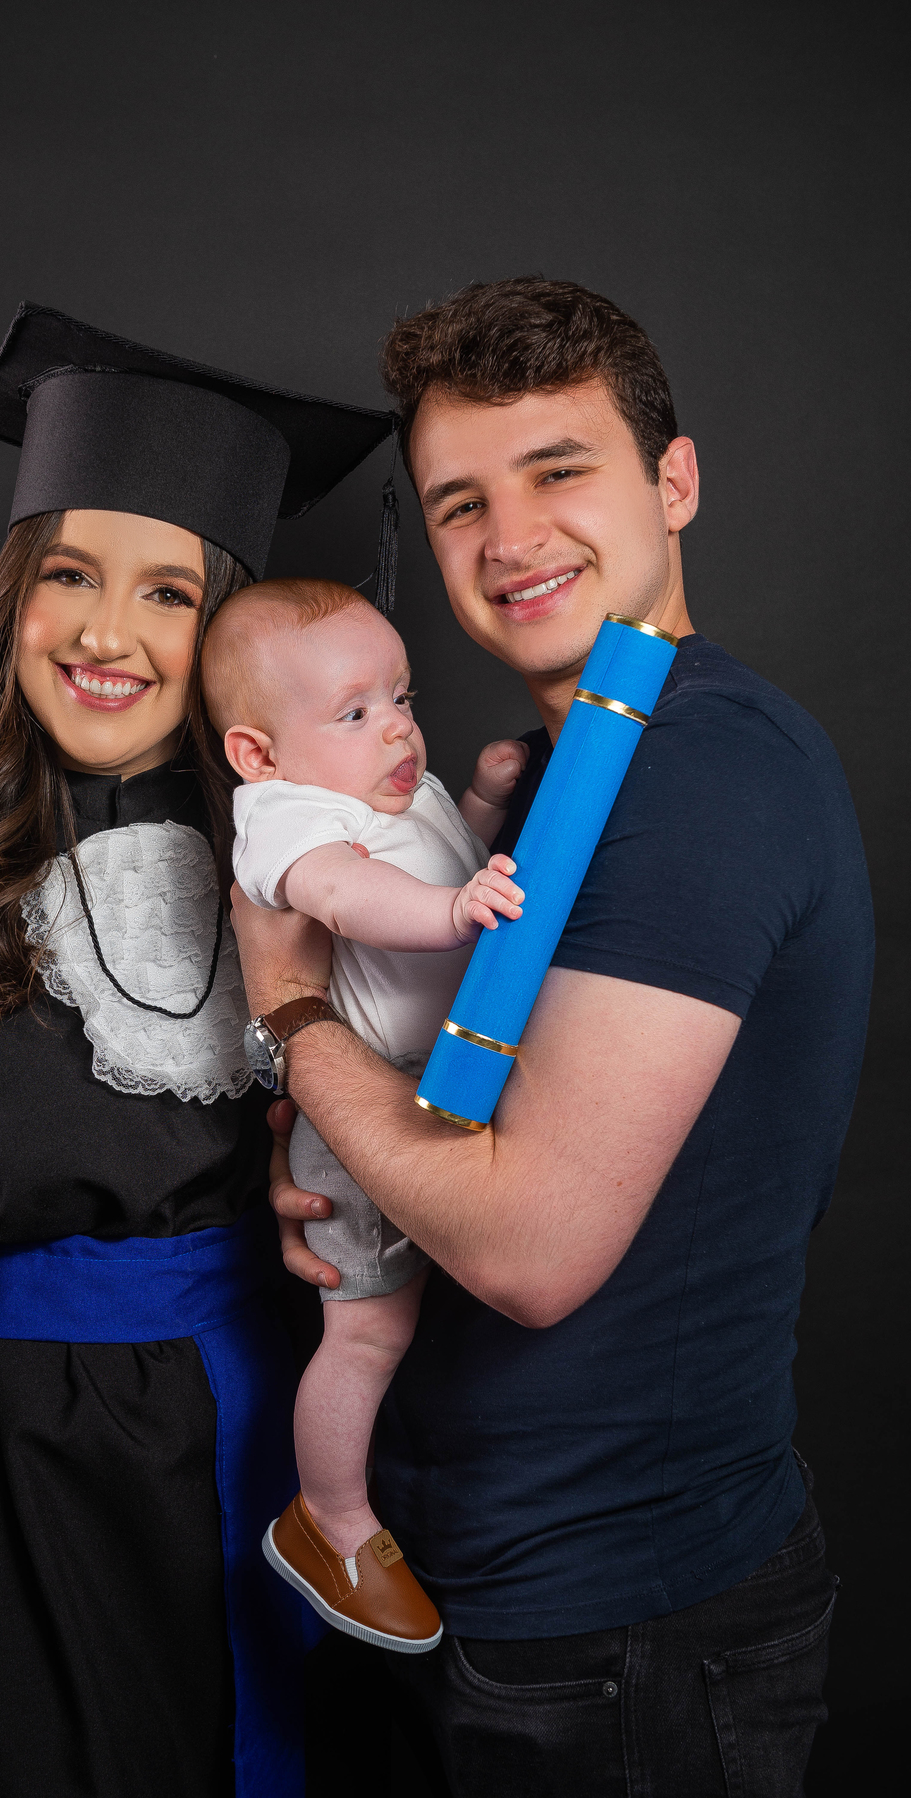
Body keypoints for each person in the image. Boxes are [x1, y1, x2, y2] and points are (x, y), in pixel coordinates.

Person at [0, 301, 396, 1798]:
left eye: (168, 592)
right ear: (12, 601)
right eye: (69, 575)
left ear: (225, 639)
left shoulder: (310, 891)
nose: (108, 632)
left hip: (270, 1459)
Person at [230, 278, 873, 1796]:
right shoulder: (565, 776)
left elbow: (527, 1248)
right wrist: (338, 1151)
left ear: (675, 482)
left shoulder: (703, 775)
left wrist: (291, 1012)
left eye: (559, 470)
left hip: (622, 1623)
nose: (510, 537)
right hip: (474, 1580)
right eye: (462, 501)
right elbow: (468, 1122)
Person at [198, 576, 526, 1653]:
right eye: (355, 710)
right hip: (363, 1109)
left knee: (453, 1312)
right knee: (368, 1331)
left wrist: (476, 803)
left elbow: (434, 854)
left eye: (403, 697)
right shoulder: (288, 816)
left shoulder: (386, 785)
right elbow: (348, 895)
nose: (396, 727)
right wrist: (454, 911)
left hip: (441, 1089)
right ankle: (328, 1520)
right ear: (258, 754)